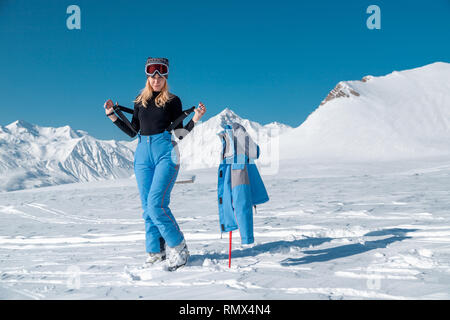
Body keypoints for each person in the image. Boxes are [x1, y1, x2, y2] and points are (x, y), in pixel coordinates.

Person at [104, 57, 206, 271]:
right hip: (142, 154)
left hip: (165, 152)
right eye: (152, 74)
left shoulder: (173, 100)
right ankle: (155, 253)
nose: (156, 78)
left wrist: (195, 118)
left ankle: (179, 248)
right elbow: (133, 132)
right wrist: (112, 116)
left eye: (160, 75)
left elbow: (179, 133)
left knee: (156, 205)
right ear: (147, 76)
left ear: (166, 77)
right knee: (146, 208)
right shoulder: (139, 100)